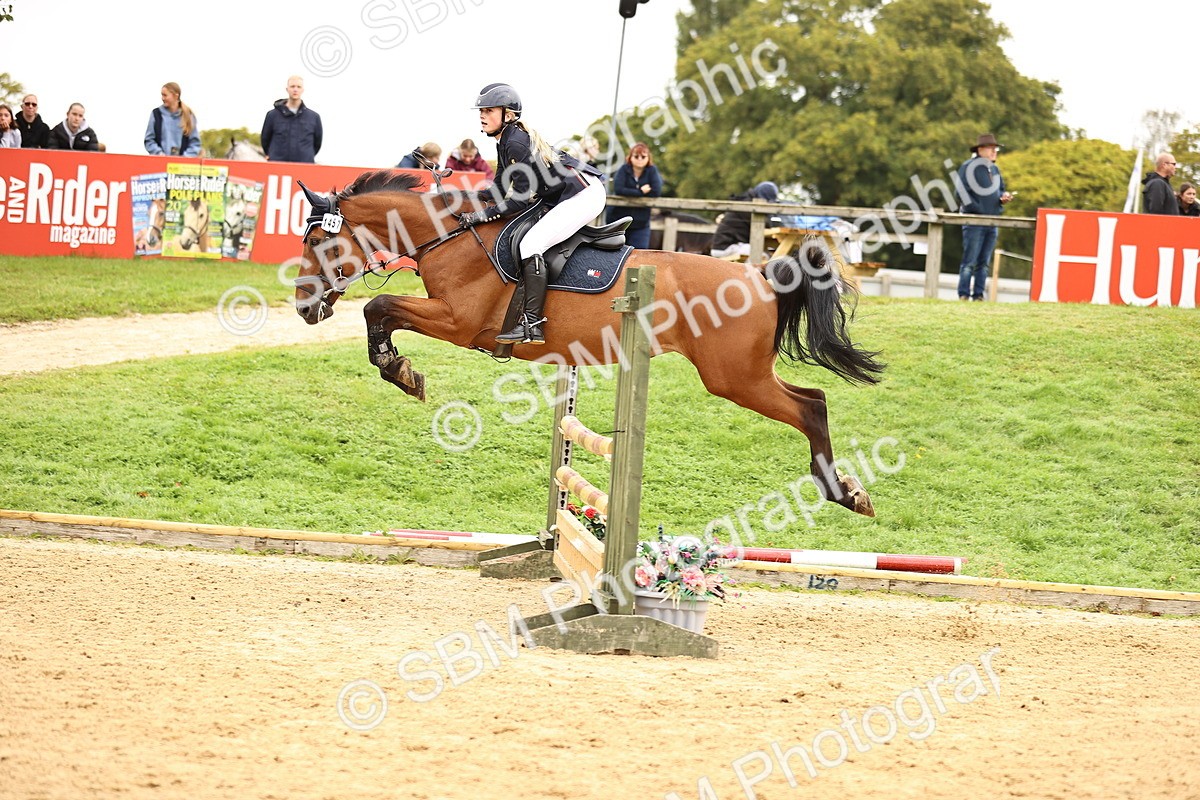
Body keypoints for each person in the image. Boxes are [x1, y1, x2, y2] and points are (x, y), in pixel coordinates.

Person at [457, 83, 607, 345]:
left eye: (489, 110)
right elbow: (500, 187)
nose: (482, 115)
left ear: (508, 114)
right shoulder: (505, 141)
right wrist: (465, 199)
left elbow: (519, 199)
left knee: (531, 244)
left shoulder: (516, 143)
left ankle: (532, 324)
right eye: (481, 110)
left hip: (583, 195)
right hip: (569, 193)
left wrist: (482, 216)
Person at [956, 133, 1013, 301]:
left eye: (995, 149)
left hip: (992, 221)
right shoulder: (968, 166)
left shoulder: (994, 169)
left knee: (984, 262)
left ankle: (979, 295)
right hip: (974, 221)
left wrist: (1004, 197)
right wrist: (976, 209)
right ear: (981, 150)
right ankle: (964, 295)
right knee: (969, 262)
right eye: (991, 148)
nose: (995, 151)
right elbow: (960, 192)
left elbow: (1000, 189)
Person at [605, 142, 662, 250]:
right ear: (630, 157)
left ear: (648, 158)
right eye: (636, 156)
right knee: (614, 253)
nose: (639, 159)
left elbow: (656, 191)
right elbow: (619, 189)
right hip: (618, 222)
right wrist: (640, 191)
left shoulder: (652, 170)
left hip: (641, 223)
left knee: (639, 254)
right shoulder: (623, 169)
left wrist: (630, 191)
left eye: (643, 156)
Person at [260, 75, 322, 163]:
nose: (295, 89)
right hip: (277, 166)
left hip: (304, 167)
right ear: (287, 89)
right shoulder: (272, 115)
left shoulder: (314, 117)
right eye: (292, 86)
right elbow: (265, 140)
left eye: (298, 87)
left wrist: (305, 156)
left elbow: (317, 144)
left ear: (302, 90)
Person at [710, 181, 779, 259]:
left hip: (724, 246)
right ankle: (749, 271)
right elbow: (765, 225)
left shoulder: (745, 202)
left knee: (763, 253)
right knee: (761, 256)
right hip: (726, 247)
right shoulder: (750, 207)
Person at [144, 82, 201, 157]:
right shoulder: (156, 114)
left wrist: (184, 158)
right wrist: (159, 154)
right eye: (162, 95)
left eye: (165, 95)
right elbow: (149, 140)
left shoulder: (189, 115)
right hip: (160, 163)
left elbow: (195, 144)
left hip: (183, 165)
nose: (162, 98)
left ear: (176, 96)